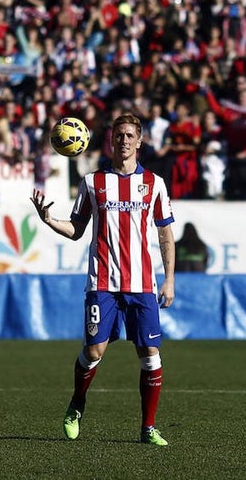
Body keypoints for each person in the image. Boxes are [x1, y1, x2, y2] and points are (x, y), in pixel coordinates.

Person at [30, 113, 176, 446]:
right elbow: (76, 230)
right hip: (102, 283)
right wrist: (49, 219)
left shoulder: (154, 183)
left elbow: (165, 233)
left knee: (150, 353)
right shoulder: (93, 182)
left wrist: (169, 280)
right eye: (119, 135)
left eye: (129, 136)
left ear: (139, 141)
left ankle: (148, 428)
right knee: (94, 350)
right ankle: (77, 403)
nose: (124, 141)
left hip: (142, 285)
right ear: (111, 140)